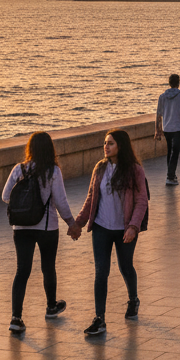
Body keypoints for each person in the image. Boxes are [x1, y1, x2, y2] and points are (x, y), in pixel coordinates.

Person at [70, 130, 149, 337]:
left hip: (125, 229)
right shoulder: (100, 168)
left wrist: (133, 226)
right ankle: (100, 318)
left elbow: (142, 201)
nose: (106, 147)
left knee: (125, 266)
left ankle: (133, 299)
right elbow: (91, 199)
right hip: (101, 228)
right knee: (101, 272)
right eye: (105, 143)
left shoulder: (135, 170)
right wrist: (78, 223)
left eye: (111, 144)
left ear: (120, 146)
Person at [2, 131, 75, 334]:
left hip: (21, 228)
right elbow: (61, 202)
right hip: (46, 227)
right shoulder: (53, 172)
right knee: (48, 267)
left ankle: (16, 318)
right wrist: (71, 223)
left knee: (22, 271)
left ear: (30, 148)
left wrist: (24, 203)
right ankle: (51, 306)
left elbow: (5, 196)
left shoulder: (19, 169)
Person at [155, 73, 180, 185]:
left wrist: (157, 130)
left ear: (169, 83)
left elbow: (158, 114)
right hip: (178, 127)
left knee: (170, 151)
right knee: (175, 152)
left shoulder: (162, 97)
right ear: (178, 83)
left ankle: (171, 174)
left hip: (167, 128)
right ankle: (170, 177)